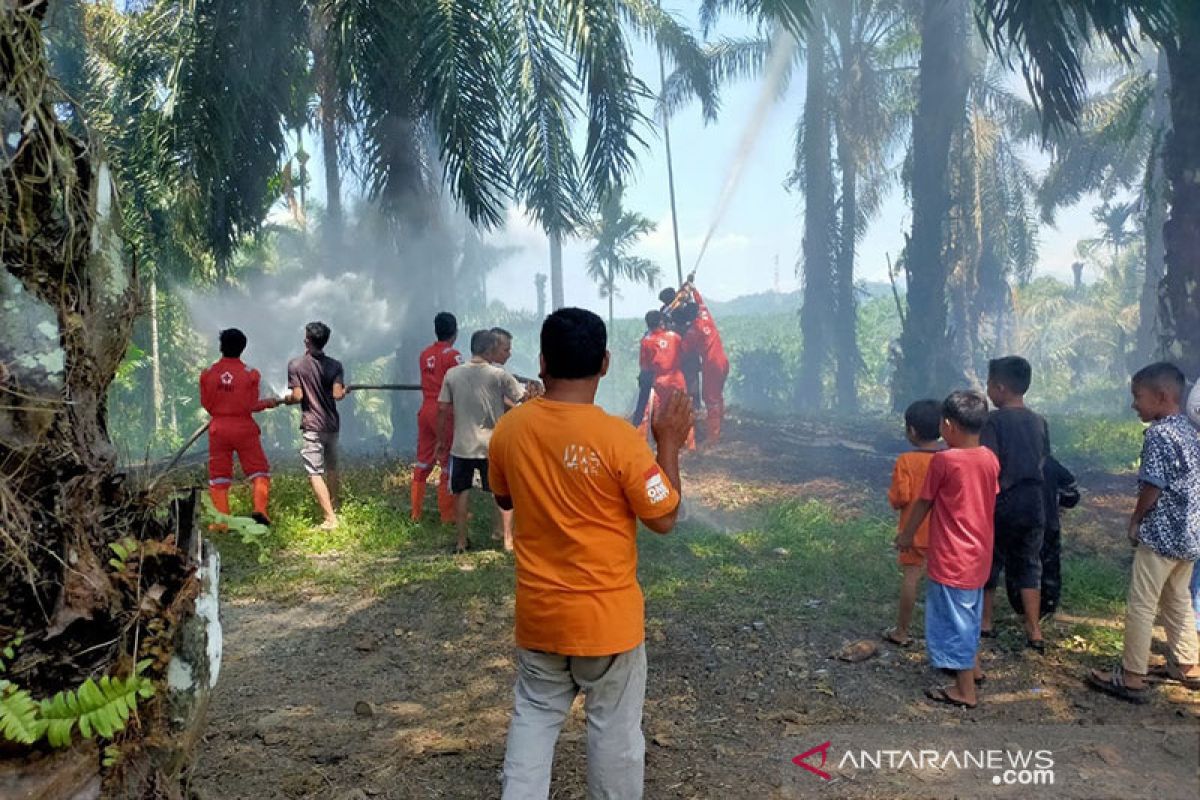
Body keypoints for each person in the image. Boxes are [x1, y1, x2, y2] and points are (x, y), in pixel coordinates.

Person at [488, 307, 691, 799]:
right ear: (604, 363)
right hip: (608, 624)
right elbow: (663, 518)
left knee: (533, 722)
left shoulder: (510, 431)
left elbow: (504, 498)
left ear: (541, 362)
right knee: (615, 737)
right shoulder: (619, 439)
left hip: (540, 618)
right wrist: (668, 445)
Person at [1088, 363, 1200, 701]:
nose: (1134, 404)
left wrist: (1136, 519)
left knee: (1142, 603)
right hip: (1191, 534)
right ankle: (1187, 664)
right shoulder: (1189, 430)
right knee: (1178, 598)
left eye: (1138, 397)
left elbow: (1152, 485)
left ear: (1162, 396)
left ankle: (1132, 675)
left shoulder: (1158, 434)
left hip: (1162, 535)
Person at [896, 390, 999, 709]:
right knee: (968, 612)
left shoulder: (945, 460)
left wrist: (907, 535)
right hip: (979, 552)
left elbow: (924, 502)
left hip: (952, 554)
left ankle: (964, 690)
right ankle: (975, 668)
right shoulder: (989, 458)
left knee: (955, 621)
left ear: (949, 425)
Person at [979, 356, 1049, 651]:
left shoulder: (993, 422)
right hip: (1034, 502)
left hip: (1001, 501)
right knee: (1029, 564)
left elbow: (989, 462)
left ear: (999, 387)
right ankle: (1034, 630)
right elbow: (1045, 460)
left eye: (988, 385)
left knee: (990, 561)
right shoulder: (1038, 421)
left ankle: (985, 622)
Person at [437, 330, 526, 553]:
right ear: (489, 350)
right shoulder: (499, 375)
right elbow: (522, 398)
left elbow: (442, 408)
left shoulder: (452, 374)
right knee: (501, 492)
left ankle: (461, 541)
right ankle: (506, 539)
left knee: (461, 491)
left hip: (462, 445)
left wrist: (440, 440)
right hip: (492, 445)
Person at [200, 328, 280, 528]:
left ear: (221, 347)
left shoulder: (207, 374)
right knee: (259, 470)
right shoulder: (251, 375)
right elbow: (252, 405)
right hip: (245, 428)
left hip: (218, 429)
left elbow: (206, 405)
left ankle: (222, 521)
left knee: (218, 474)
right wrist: (269, 403)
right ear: (243, 348)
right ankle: (260, 511)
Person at [883, 399, 944, 647]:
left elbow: (901, 497)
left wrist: (893, 499)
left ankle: (902, 631)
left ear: (912, 431)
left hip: (914, 531)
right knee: (942, 583)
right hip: (944, 532)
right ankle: (941, 635)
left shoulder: (906, 461)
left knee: (911, 577)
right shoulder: (949, 458)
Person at [285, 321, 347, 530]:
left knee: (314, 471)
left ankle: (330, 518)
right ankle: (335, 506)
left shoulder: (296, 365)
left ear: (307, 340)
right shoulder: (335, 365)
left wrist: (287, 399)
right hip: (332, 425)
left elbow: (297, 396)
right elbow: (338, 394)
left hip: (312, 425)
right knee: (332, 467)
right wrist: (344, 390)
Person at [1008, 454, 1080, 619]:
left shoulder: (1011, 459)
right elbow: (1072, 492)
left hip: (1019, 523)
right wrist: (1059, 504)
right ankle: (1047, 609)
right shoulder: (1048, 462)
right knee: (1048, 568)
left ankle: (1022, 610)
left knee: (1018, 567)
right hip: (1048, 524)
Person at [412, 312, 462, 523]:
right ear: (455, 332)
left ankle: (416, 512)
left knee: (423, 461)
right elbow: (461, 383)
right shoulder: (453, 356)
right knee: (448, 462)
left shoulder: (425, 354)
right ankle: (447, 514)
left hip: (425, 409)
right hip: (444, 412)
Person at [677, 281, 730, 445]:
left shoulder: (693, 332)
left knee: (710, 398)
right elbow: (699, 301)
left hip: (711, 364)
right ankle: (720, 426)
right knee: (718, 396)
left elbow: (682, 350)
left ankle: (713, 437)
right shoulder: (705, 314)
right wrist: (692, 288)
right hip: (723, 360)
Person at [634, 310, 687, 439]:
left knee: (651, 413)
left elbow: (644, 366)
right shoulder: (675, 337)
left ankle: (639, 441)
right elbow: (684, 354)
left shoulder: (646, 341)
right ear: (662, 322)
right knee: (682, 412)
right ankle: (689, 446)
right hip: (677, 379)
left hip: (659, 381)